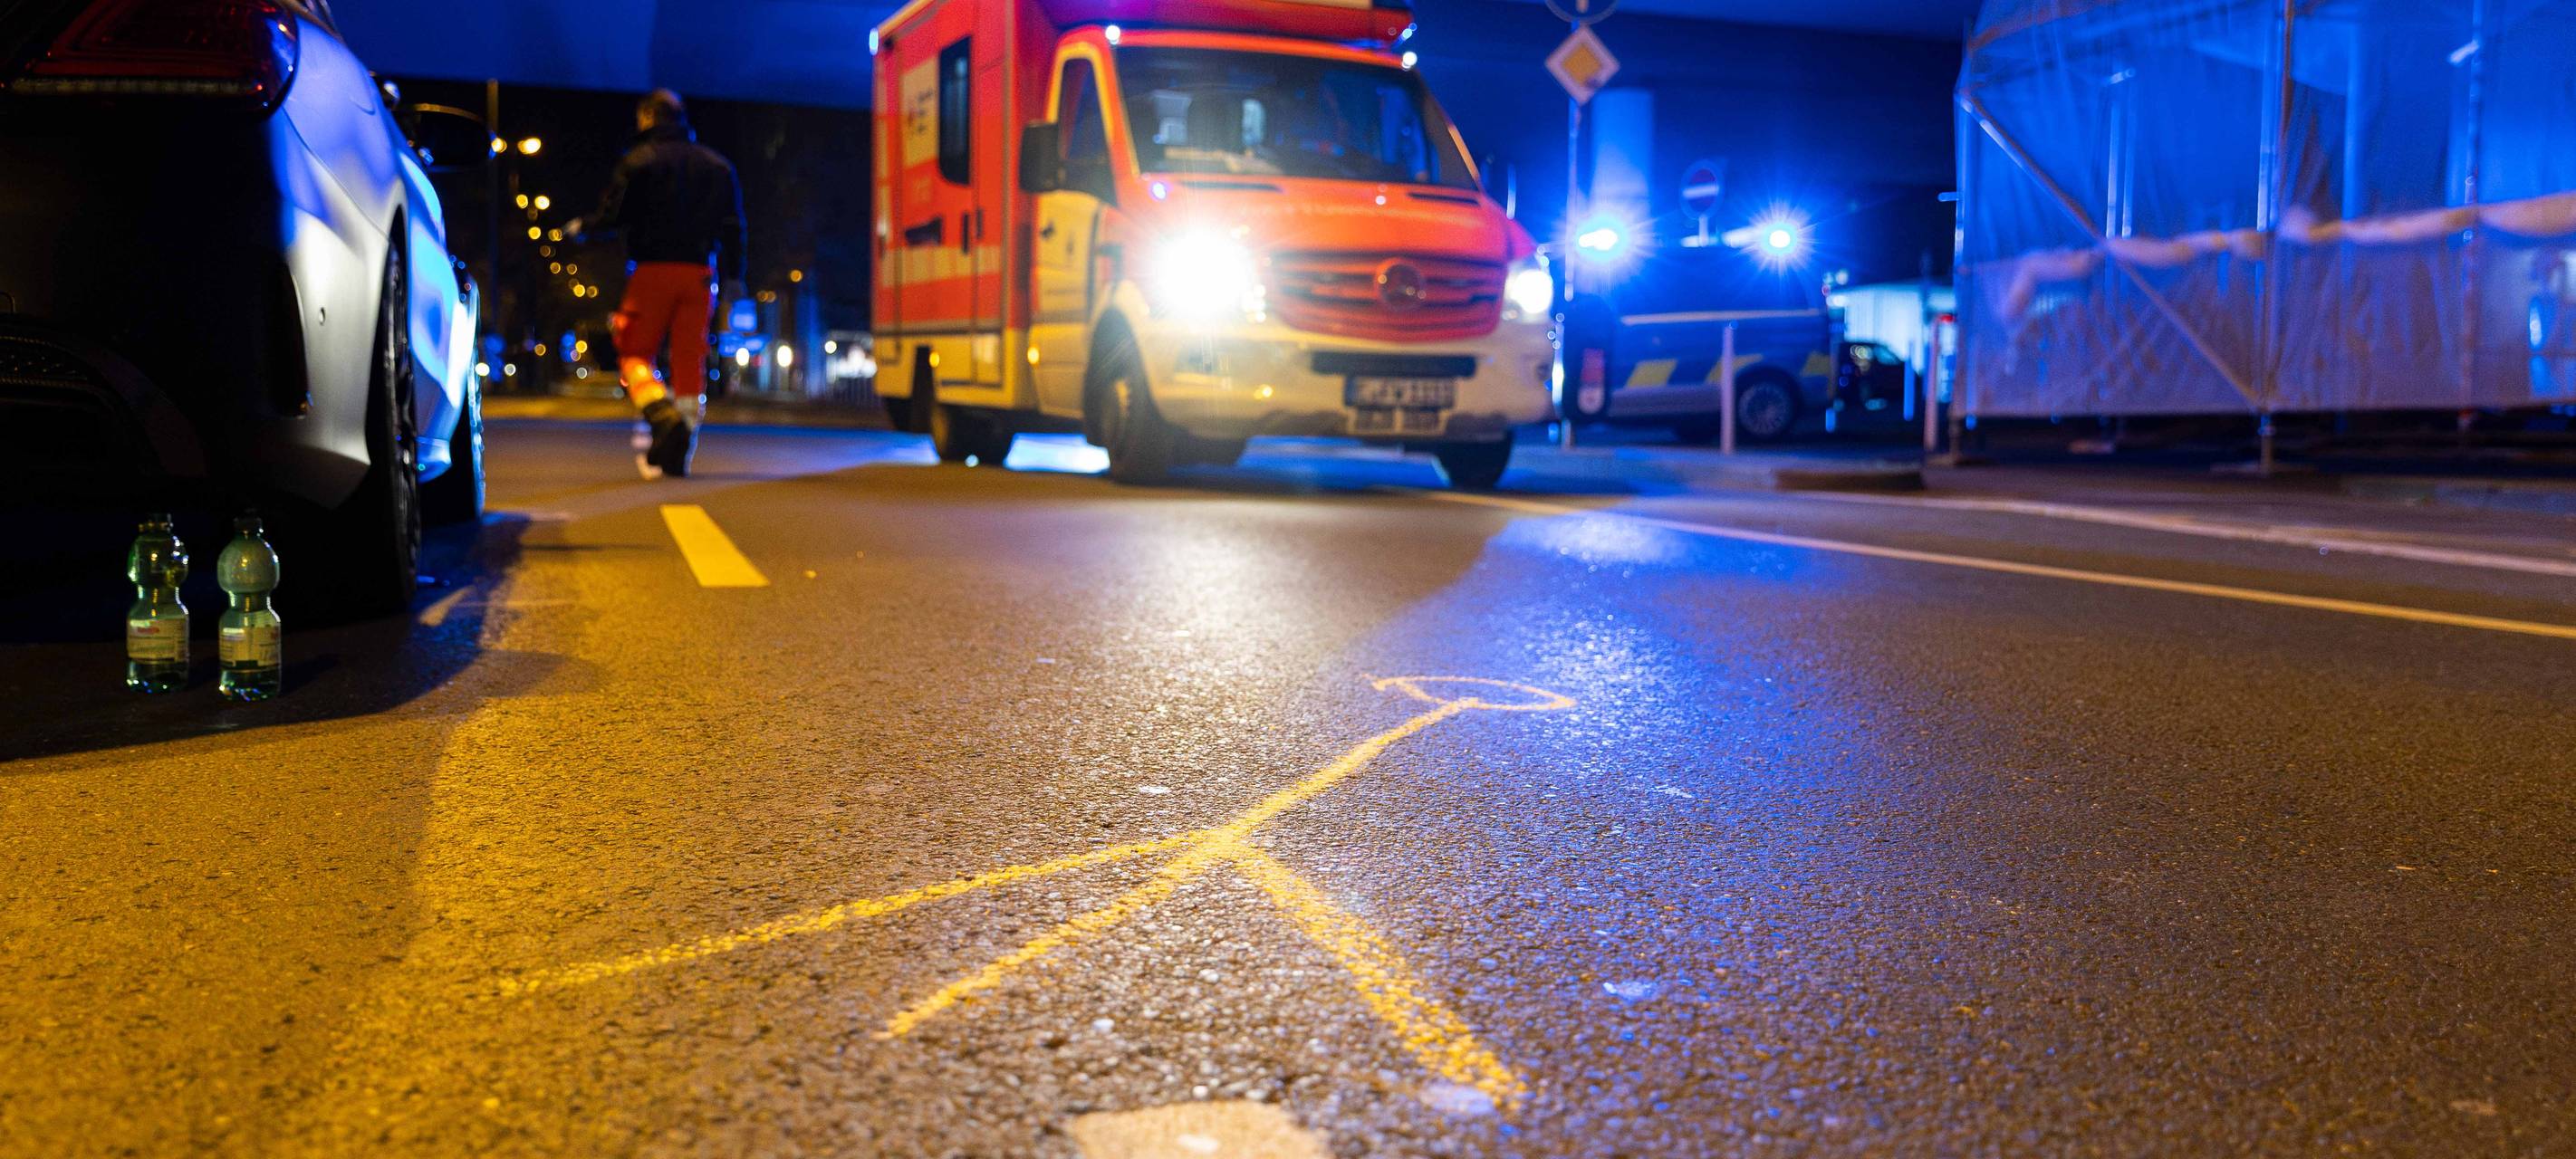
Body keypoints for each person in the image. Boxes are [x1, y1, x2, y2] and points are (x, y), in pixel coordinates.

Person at [568, 89, 746, 478]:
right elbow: (733, 227)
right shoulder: (717, 166)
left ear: (648, 117)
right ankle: (681, 445)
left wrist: (583, 227)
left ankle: (660, 411)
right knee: (689, 358)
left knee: (633, 353)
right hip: (700, 275)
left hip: (651, 272)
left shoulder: (638, 161)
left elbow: (614, 215)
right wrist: (735, 276)